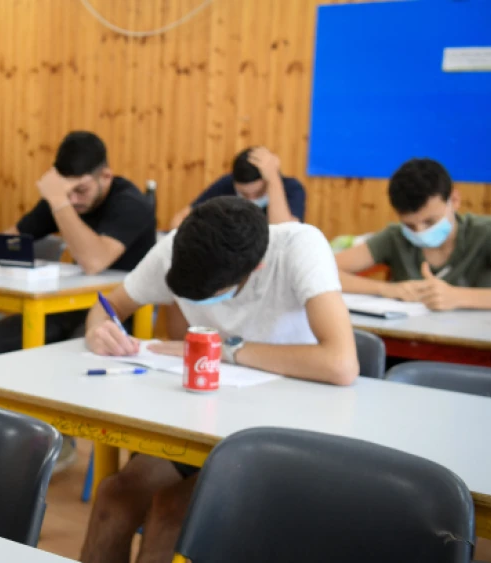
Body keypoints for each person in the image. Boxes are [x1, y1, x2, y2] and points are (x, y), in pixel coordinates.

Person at [81, 197, 358, 563]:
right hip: (207, 422)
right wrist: (100, 332)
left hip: (286, 430)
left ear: (255, 268)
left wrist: (226, 349)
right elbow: (105, 307)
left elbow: (341, 364)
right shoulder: (179, 248)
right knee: (115, 496)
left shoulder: (300, 247)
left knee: (173, 510)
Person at [0, 131, 157, 356]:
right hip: (70, 306)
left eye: (81, 191)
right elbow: (7, 241)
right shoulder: (63, 199)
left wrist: (59, 201)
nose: (73, 200)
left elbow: (93, 262)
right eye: (67, 192)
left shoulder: (131, 204)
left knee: (75, 356)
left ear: (106, 176)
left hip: (123, 311)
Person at [336, 158, 491, 310]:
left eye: (430, 222)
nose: (420, 232)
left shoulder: (486, 233)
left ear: (454, 200)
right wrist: (386, 289)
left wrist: (458, 297)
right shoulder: (394, 238)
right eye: (409, 225)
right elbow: (325, 269)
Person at [168, 146, 306, 230]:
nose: (251, 199)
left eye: (258, 193)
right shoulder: (226, 184)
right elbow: (178, 221)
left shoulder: (291, 187)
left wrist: (274, 179)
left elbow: (283, 231)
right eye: (244, 195)